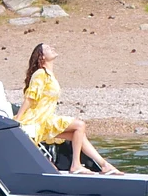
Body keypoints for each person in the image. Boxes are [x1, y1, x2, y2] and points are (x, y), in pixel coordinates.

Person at [17, 43, 120, 175]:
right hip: (37, 119)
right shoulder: (40, 74)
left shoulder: (50, 75)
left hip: (45, 119)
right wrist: (17, 119)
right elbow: (30, 98)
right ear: (41, 57)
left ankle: (104, 165)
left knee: (78, 134)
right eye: (47, 48)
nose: (52, 48)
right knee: (79, 125)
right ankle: (76, 165)